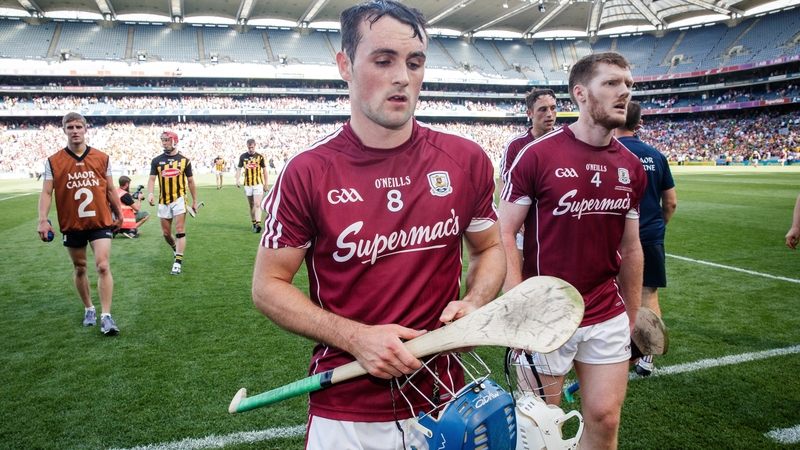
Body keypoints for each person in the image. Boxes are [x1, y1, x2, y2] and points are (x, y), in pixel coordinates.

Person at [252, 1, 505, 448]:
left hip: (447, 403)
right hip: (347, 411)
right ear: (345, 66)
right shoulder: (308, 171)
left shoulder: (465, 159)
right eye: (384, 60)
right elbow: (268, 286)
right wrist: (355, 337)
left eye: (415, 62)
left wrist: (476, 302)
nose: (402, 77)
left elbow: (489, 247)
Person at [499, 51, 646, 449]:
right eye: (611, 83)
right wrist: (517, 305)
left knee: (606, 418)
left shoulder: (632, 167)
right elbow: (505, 230)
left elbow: (632, 248)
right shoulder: (537, 155)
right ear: (580, 94)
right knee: (539, 430)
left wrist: (631, 318)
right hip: (547, 312)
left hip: (606, 310)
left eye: (628, 84)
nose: (624, 92)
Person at [37, 112, 123, 335]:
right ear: (64, 130)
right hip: (72, 223)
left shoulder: (102, 157)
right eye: (70, 127)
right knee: (80, 267)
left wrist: (119, 213)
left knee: (102, 265)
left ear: (86, 129)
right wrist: (43, 220)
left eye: (78, 127)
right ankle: (89, 308)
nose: (74, 131)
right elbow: (46, 192)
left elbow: (110, 189)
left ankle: (106, 316)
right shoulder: (53, 161)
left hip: (100, 221)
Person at [614, 101, 677, 376]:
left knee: (611, 294)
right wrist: (657, 227)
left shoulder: (610, 151)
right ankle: (647, 358)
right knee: (648, 295)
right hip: (650, 236)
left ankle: (613, 351)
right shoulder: (656, 155)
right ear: (639, 123)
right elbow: (671, 202)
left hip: (615, 237)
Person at [498, 88, 558, 257]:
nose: (549, 114)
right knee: (519, 272)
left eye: (553, 108)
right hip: (523, 223)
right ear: (529, 113)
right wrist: (513, 219)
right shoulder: (516, 145)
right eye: (542, 109)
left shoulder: (565, 143)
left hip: (555, 223)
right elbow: (504, 183)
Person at [147, 131, 198, 275]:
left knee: (179, 230)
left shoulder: (184, 161)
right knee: (166, 233)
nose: (164, 143)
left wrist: (194, 201)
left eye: (167, 140)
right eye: (163, 140)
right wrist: (150, 194)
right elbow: (152, 179)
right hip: (163, 201)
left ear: (174, 141)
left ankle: (177, 263)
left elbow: (190, 181)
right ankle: (176, 248)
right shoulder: (156, 161)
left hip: (179, 199)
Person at [235, 138, 267, 233]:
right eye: (249, 147)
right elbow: (239, 169)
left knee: (258, 204)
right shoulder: (243, 157)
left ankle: (258, 224)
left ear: (255, 146)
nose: (251, 149)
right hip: (248, 184)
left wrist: (265, 184)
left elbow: (264, 170)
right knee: (251, 205)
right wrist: (237, 180)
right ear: (247, 146)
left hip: (258, 184)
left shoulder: (260, 157)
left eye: (252, 147)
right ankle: (254, 222)